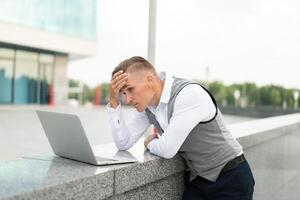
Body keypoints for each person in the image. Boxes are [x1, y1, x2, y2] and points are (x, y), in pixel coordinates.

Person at [107, 56, 255, 200]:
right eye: (123, 93)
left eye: (130, 90)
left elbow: (167, 149)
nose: (127, 99)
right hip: (198, 180)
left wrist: (149, 143)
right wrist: (113, 101)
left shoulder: (188, 94)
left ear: (150, 80)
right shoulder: (148, 106)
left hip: (231, 178)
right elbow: (123, 143)